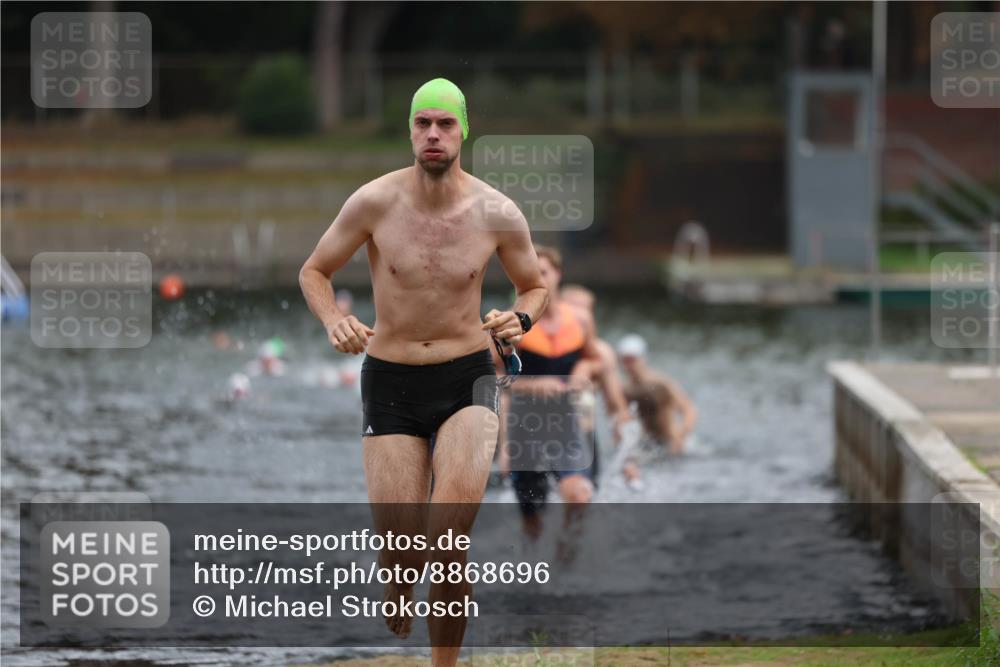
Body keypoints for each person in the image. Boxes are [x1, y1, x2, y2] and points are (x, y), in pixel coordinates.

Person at [299, 78, 547, 666]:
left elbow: (534, 286)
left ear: (465, 132)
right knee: (403, 548)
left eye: (446, 124)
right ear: (409, 131)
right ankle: (397, 573)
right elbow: (314, 271)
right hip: (390, 381)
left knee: (448, 541)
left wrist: (520, 319)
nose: (433, 134)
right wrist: (334, 319)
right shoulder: (373, 202)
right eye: (422, 124)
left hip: (467, 377)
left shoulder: (496, 211)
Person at [500, 246, 603, 540]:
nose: (539, 279)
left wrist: (584, 369)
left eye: (544, 271)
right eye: (531, 273)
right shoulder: (510, 325)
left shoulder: (581, 319)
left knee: (580, 497)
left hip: (567, 423)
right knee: (533, 521)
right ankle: (536, 577)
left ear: (558, 274)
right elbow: (492, 377)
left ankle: (565, 573)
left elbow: (597, 358)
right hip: (527, 425)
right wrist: (534, 385)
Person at [617, 334, 698, 456]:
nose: (629, 366)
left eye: (632, 360)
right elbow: (622, 419)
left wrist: (681, 436)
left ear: (643, 358)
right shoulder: (625, 390)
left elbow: (689, 410)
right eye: (625, 361)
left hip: (671, 442)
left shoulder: (661, 383)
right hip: (648, 445)